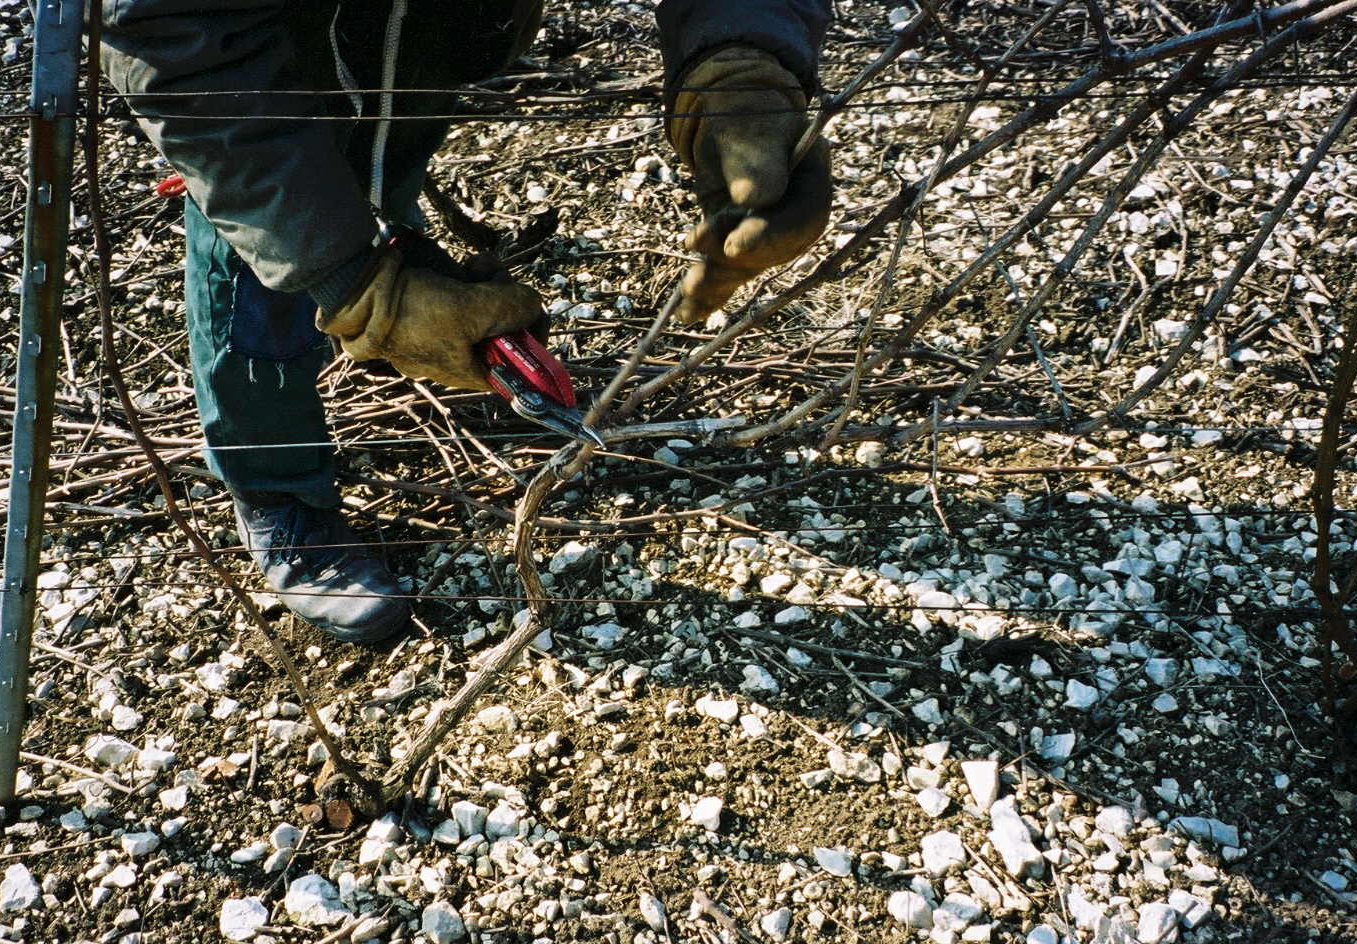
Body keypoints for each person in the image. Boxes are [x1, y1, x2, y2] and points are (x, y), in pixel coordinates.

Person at [101, 0, 833, 643]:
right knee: (255, 260)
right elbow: (169, 31)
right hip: (250, 64)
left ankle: (376, 260)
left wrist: (742, 62)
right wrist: (353, 284)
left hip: (431, 36)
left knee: (379, 160)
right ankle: (277, 487)